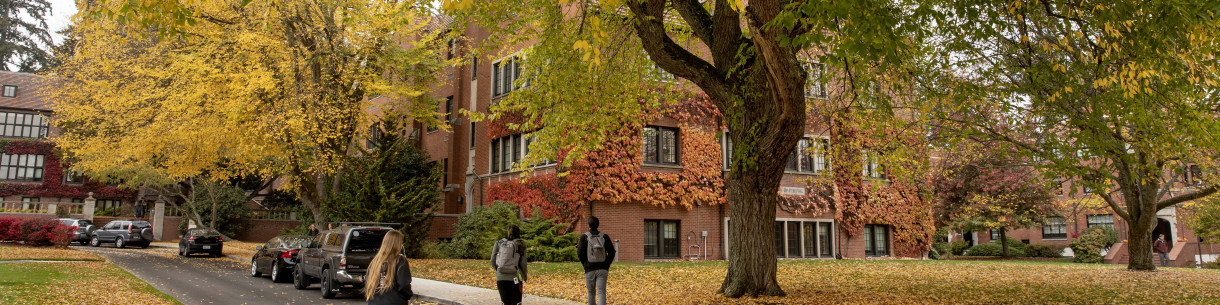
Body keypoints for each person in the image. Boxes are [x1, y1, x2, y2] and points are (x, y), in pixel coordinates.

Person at [365, 229, 413, 304]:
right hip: (394, 301)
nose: (402, 245)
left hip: (374, 301)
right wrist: (408, 296)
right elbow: (404, 284)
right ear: (396, 244)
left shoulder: (375, 261)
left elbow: (368, 282)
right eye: (401, 243)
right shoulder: (400, 260)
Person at [578, 217, 615, 305]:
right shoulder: (604, 236)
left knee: (591, 292)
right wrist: (607, 264)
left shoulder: (584, 237)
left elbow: (579, 253)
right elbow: (612, 252)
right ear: (598, 225)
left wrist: (585, 264)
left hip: (589, 268)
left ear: (588, 225)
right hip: (603, 268)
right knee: (601, 292)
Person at [491, 225, 527, 305]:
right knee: (516, 303)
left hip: (500, 278)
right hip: (516, 277)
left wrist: (499, 270)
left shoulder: (499, 243)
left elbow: (492, 260)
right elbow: (523, 263)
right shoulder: (520, 243)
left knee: (505, 302)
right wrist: (524, 276)